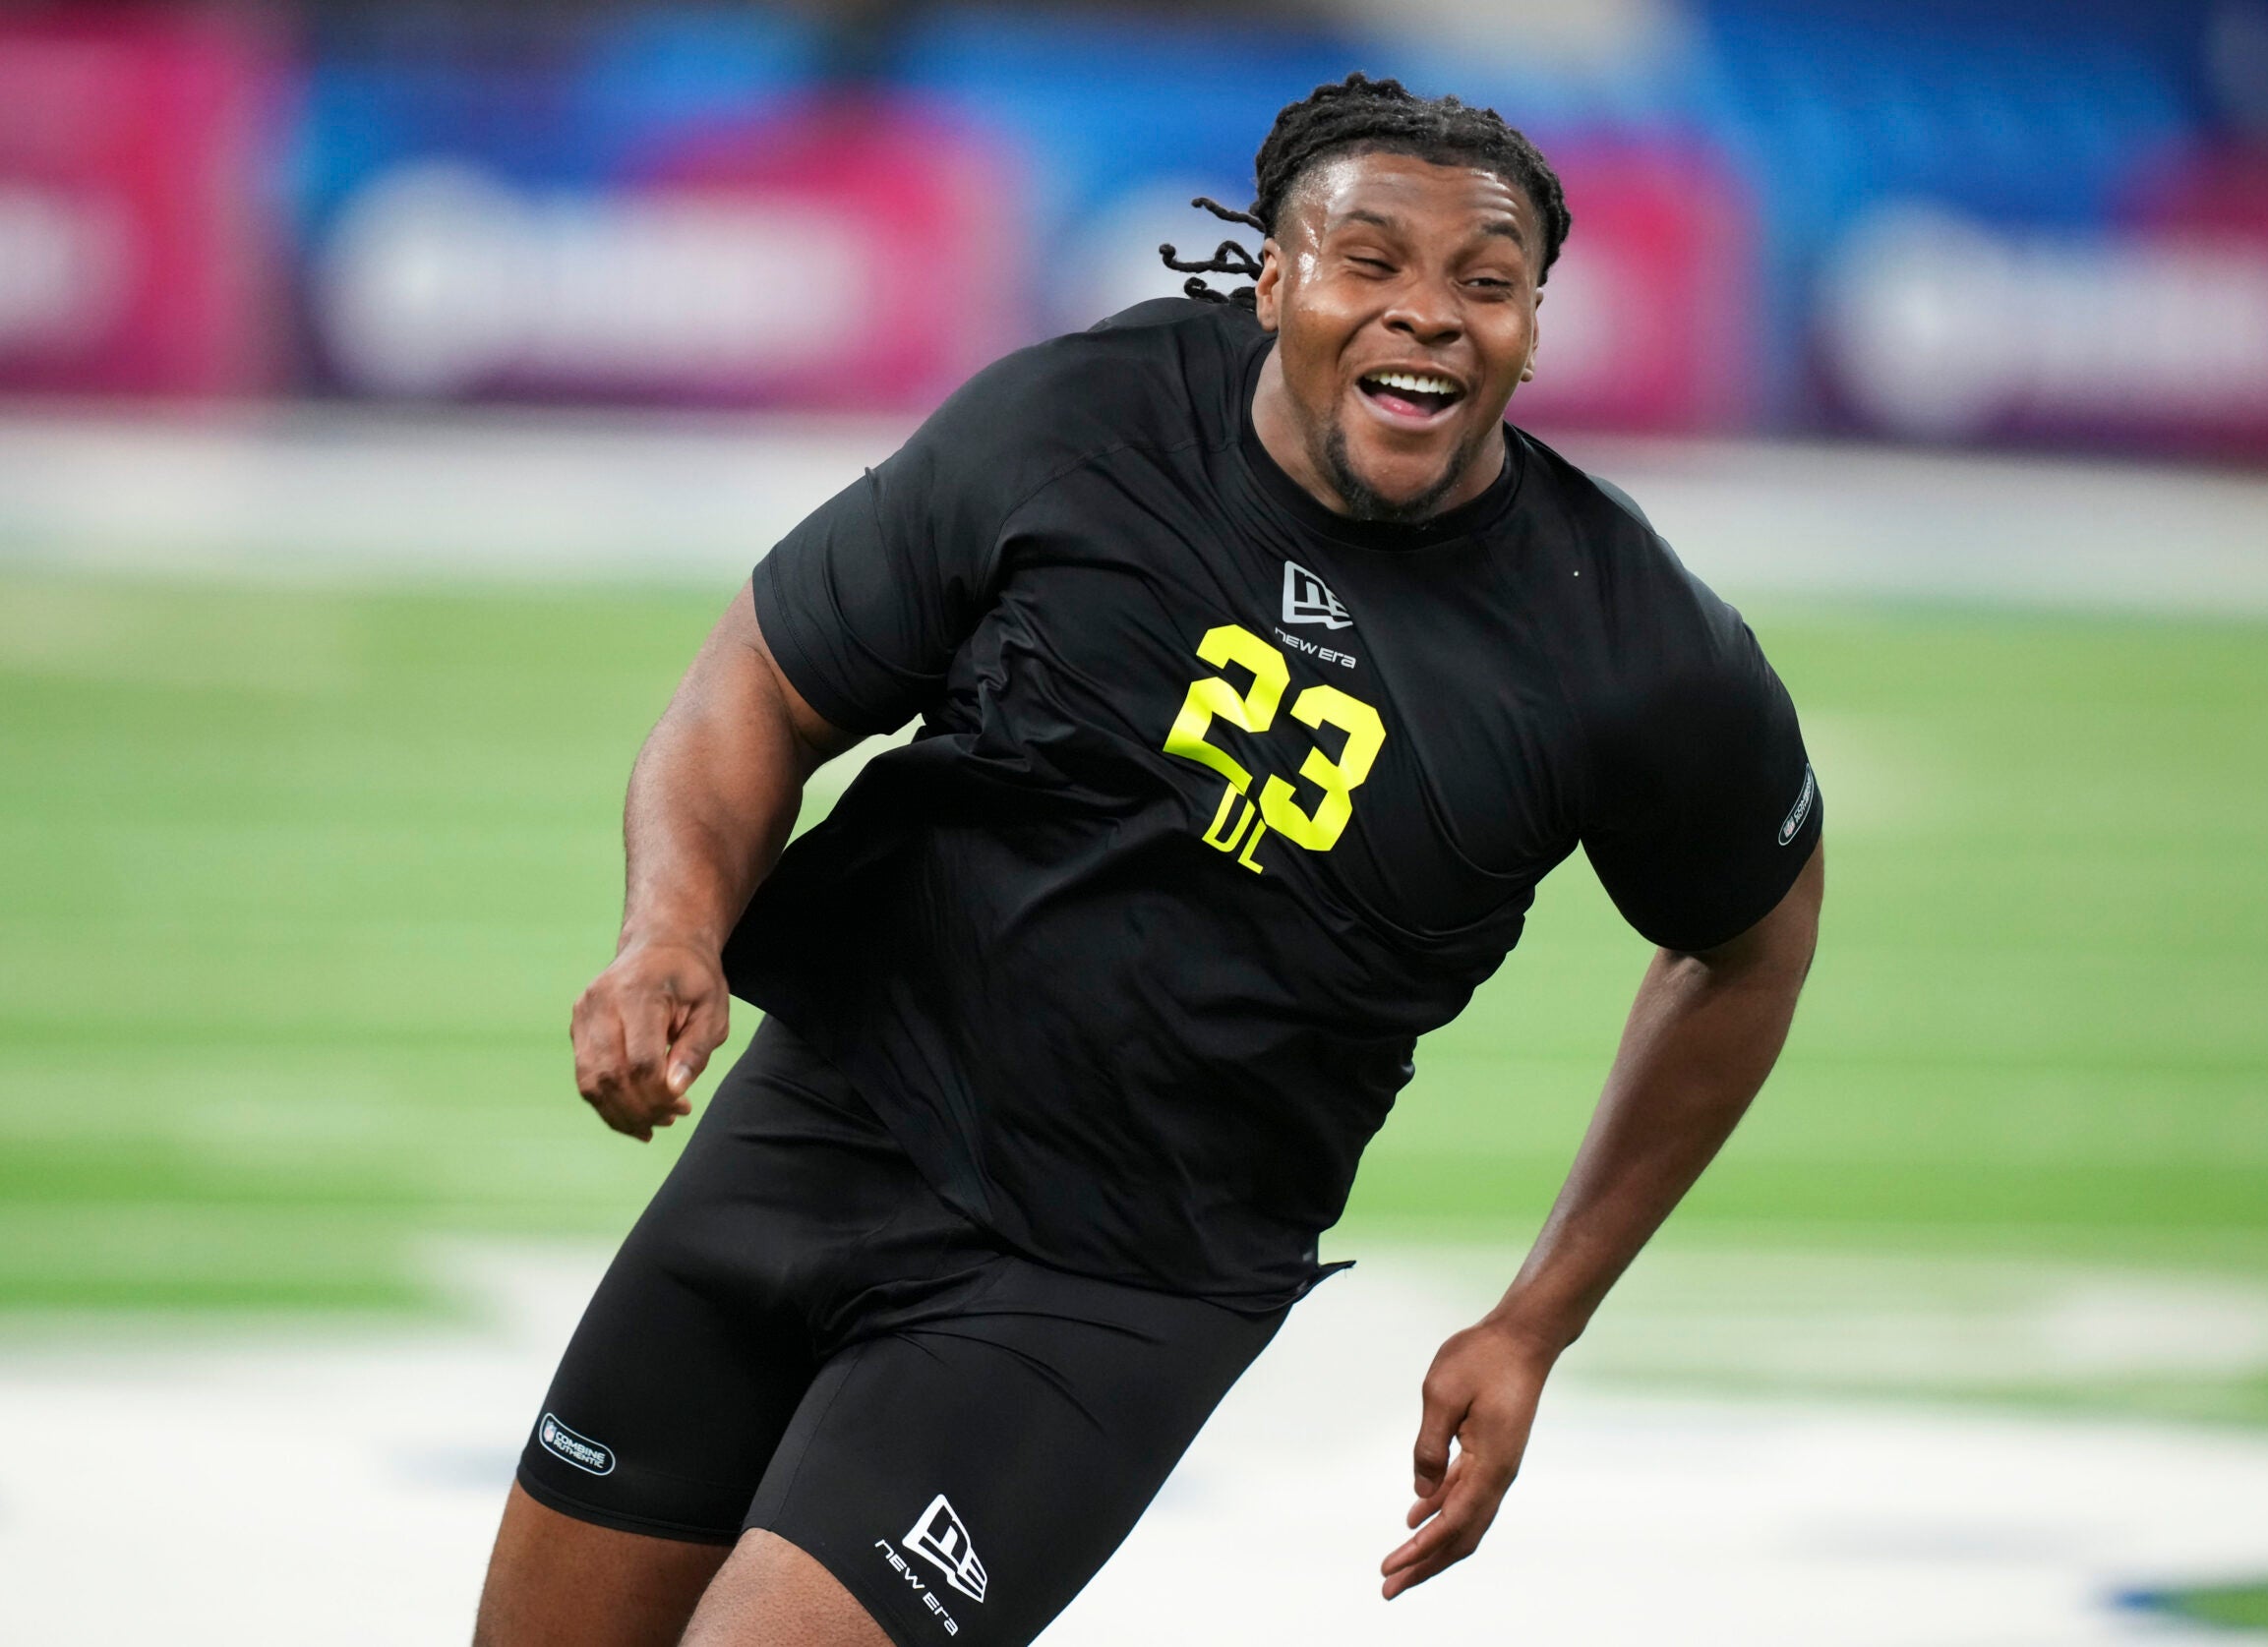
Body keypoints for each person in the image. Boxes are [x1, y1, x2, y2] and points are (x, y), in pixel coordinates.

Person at [474, 72, 1822, 1647]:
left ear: (1535, 325)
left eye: (1487, 282)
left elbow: (1750, 940)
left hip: (1114, 1281)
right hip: (822, 1124)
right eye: (1369, 261)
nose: (1431, 315)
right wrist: (673, 934)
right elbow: (762, 680)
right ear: (1273, 281)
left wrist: (1539, 1319)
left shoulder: (1628, 643)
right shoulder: (1076, 424)